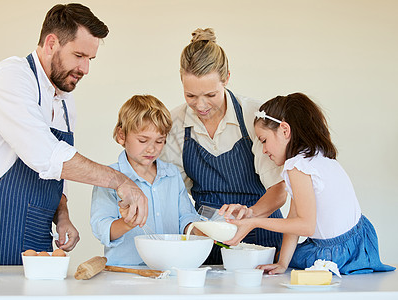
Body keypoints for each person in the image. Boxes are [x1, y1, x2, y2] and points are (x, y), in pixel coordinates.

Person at [0, 3, 148, 266]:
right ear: (51, 43)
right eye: (78, 55)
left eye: (89, 59)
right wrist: (121, 181)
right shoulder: (11, 78)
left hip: (34, 236)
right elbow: (47, 156)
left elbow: (57, 175)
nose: (85, 69)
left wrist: (63, 215)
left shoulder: (65, 102)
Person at [221, 92, 395, 274]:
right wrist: (282, 263)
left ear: (285, 130)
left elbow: (305, 226)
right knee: (284, 256)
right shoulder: (315, 156)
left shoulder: (296, 167)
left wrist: (255, 222)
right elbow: (294, 218)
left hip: (336, 253)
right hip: (360, 241)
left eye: (264, 140)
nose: (264, 150)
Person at [161, 28, 286, 264]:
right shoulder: (174, 124)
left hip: (262, 235)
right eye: (191, 96)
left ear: (227, 77)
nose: (201, 105)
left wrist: (248, 217)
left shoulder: (254, 116)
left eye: (210, 94)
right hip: (206, 238)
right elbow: (172, 193)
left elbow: (280, 189)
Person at [90, 95, 201, 265]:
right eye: (143, 140)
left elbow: (186, 216)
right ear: (121, 135)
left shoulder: (172, 174)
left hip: (168, 267)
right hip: (125, 273)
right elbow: (102, 229)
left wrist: (199, 229)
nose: (152, 148)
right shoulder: (109, 177)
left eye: (160, 141)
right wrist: (127, 223)